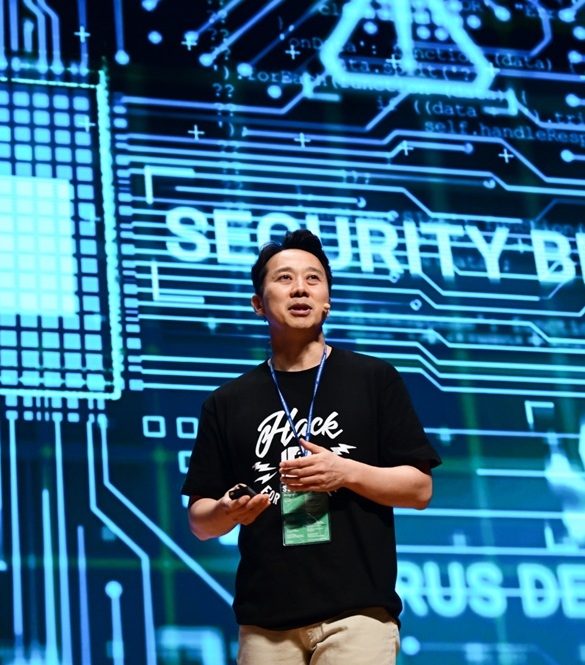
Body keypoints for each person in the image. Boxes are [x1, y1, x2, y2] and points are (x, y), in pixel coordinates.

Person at [181, 229, 442, 664]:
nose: (300, 288)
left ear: (327, 302)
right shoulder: (227, 402)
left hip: (357, 613)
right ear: (258, 303)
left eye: (313, 279)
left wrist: (346, 471)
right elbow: (199, 521)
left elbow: (419, 489)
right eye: (284, 278)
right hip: (265, 624)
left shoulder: (374, 379)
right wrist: (228, 511)